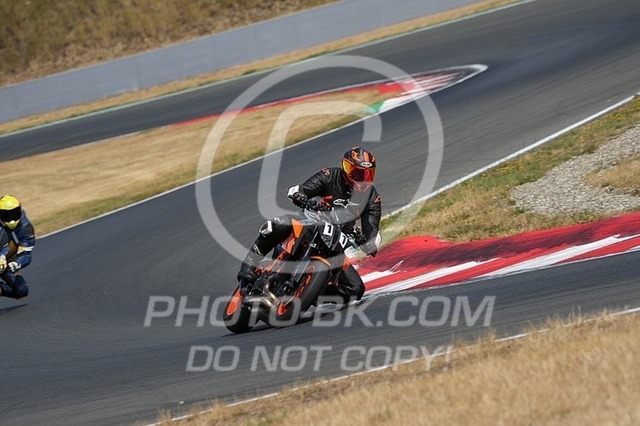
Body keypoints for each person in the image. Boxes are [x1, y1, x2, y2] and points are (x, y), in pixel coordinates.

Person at [237, 146, 382, 303]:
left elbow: (371, 227)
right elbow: (303, 189)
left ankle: (311, 294)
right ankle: (248, 265)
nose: (361, 178)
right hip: (311, 221)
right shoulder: (329, 175)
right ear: (345, 167)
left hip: (336, 240)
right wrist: (300, 195)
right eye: (356, 172)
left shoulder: (372, 197)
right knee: (276, 225)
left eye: (367, 174)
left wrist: (369, 243)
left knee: (355, 289)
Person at [0, 195, 35, 299]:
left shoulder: (26, 228)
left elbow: (26, 254)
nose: (11, 219)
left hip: (7, 263)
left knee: (21, 290)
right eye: (6, 215)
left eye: (14, 213)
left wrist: (16, 264)